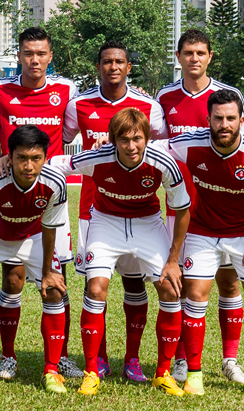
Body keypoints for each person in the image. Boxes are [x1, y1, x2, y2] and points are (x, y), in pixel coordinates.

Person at [50, 108, 191, 396]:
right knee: (96, 289)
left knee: (170, 288)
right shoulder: (97, 157)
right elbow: (56, 163)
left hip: (148, 224)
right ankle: (92, 370)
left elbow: (182, 208)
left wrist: (174, 260)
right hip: (105, 222)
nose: (131, 146)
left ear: (147, 138)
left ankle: (162, 373)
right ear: (113, 140)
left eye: (137, 139)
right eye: (123, 139)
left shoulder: (163, 163)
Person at [162, 89, 244, 397]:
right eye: (218, 118)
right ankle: (195, 374)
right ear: (208, 120)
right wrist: (113, 142)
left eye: (231, 118)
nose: (224, 124)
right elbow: (151, 148)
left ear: (241, 119)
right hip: (202, 232)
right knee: (196, 294)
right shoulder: (189, 144)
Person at [156, 28, 244, 384]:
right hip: (180, 206)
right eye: (188, 53)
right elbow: (157, 146)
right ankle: (184, 359)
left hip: (223, 205)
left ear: (210, 56)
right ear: (179, 56)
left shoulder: (228, 97)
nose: (194, 58)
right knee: (184, 285)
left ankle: (230, 361)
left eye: (201, 52)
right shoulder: (165, 96)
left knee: (229, 283)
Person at [62, 40, 168, 382]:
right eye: (107, 62)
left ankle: (133, 360)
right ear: (98, 67)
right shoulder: (79, 104)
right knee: (97, 285)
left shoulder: (147, 106)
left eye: (119, 61)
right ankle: (101, 358)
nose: (113, 67)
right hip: (95, 210)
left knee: (135, 283)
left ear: (128, 66)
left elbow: (163, 148)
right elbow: (59, 145)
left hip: (141, 210)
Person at [0, 26, 82, 379]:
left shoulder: (66, 90)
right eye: (28, 53)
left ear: (50, 56)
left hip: (50, 193)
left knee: (56, 279)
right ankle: (8, 357)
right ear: (19, 55)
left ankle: (61, 356)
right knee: (12, 278)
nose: (35, 60)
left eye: (41, 53)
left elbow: (69, 132)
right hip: (9, 189)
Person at [0, 125, 68, 394]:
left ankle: (52, 370)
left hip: (31, 236)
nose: (29, 165)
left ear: (45, 157)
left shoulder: (56, 181)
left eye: (36, 158)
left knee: (54, 289)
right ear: (9, 156)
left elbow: (49, 227)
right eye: (21, 158)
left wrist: (47, 272)